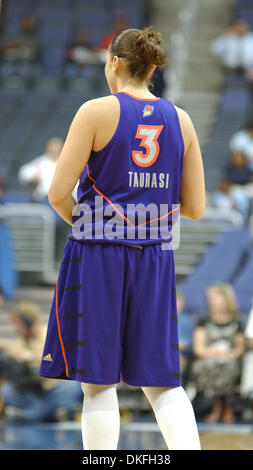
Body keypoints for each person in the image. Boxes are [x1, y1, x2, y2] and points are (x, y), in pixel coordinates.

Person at [39, 26, 205, 450]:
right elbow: (195, 207)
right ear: (150, 66)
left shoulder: (95, 111)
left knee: (97, 383)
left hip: (97, 255)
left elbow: (58, 193)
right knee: (162, 383)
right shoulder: (181, 119)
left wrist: (91, 222)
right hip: (154, 256)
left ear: (113, 61)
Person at [0, 301, 82, 422]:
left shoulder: (49, 334)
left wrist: (33, 357)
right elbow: (13, 349)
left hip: (52, 388)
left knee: (73, 386)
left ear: (28, 322)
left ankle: (30, 415)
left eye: (18, 324)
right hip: (33, 391)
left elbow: (54, 357)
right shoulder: (23, 340)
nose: (16, 328)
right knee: (7, 390)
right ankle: (48, 413)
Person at [190, 283, 244, 424]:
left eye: (214, 297)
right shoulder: (203, 320)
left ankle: (227, 407)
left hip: (230, 357)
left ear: (226, 298)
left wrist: (226, 354)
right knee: (209, 365)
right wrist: (212, 353)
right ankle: (217, 407)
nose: (211, 300)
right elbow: (198, 348)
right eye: (210, 298)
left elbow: (239, 349)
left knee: (229, 366)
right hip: (209, 357)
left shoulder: (237, 320)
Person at [0, 14, 40, 80]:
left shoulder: (36, 37)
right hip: (10, 62)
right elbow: (5, 48)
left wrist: (19, 46)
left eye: (29, 23)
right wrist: (19, 44)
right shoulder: (13, 34)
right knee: (4, 71)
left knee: (27, 72)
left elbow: (35, 51)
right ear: (22, 23)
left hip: (27, 63)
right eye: (25, 22)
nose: (27, 25)